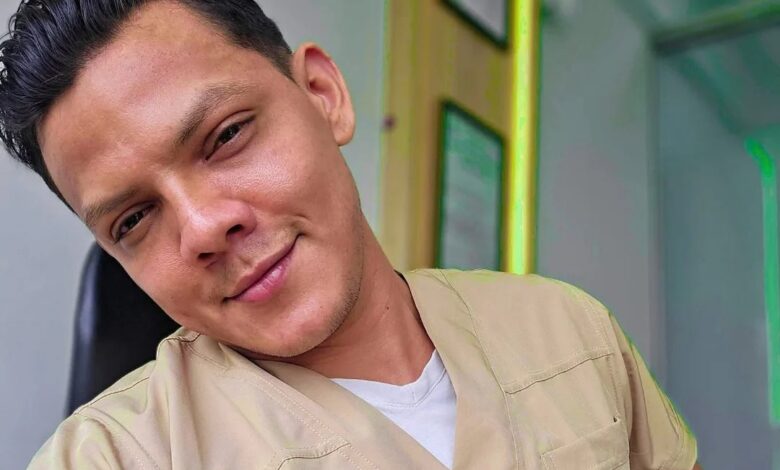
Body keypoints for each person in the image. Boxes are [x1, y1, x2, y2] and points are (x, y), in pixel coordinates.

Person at [0, 1, 700, 468]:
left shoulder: (571, 332)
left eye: (227, 136)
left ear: (322, 96)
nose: (205, 227)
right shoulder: (114, 458)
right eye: (132, 220)